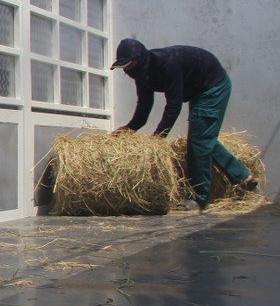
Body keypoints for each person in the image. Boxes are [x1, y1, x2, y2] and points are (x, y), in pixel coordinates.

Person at [110, 38, 257, 211]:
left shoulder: (166, 64)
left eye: (130, 64)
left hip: (213, 86)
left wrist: (159, 137)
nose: (128, 70)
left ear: (140, 58)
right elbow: (144, 104)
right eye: (124, 67)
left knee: (199, 140)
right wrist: (130, 128)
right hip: (197, 89)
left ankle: (199, 199)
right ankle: (243, 177)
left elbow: (174, 105)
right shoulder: (141, 74)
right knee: (202, 137)